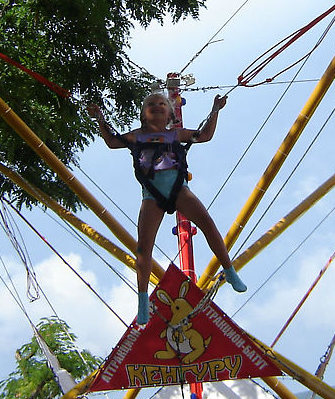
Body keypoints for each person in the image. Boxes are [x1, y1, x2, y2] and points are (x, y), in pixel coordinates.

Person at [88, 92, 246, 325]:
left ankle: (229, 270)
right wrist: (100, 118)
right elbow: (112, 142)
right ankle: (143, 300)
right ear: (143, 114)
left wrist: (215, 110)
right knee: (143, 249)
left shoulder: (175, 134)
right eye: (151, 104)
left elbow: (205, 136)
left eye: (162, 103)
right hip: (152, 194)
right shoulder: (136, 136)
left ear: (170, 113)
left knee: (208, 224)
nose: (157, 106)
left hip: (178, 190)